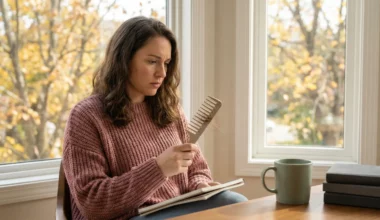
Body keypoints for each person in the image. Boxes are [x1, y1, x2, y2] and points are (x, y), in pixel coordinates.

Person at [62, 16, 247, 220]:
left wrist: (200, 185)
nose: (162, 73)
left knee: (235, 204)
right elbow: (92, 203)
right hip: (128, 217)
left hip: (177, 211)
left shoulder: (169, 108)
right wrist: (157, 168)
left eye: (166, 63)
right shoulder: (87, 116)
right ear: (124, 60)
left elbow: (197, 169)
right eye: (152, 61)